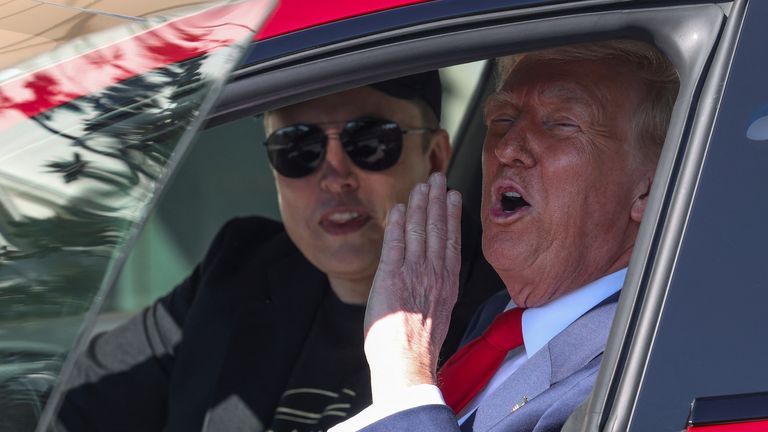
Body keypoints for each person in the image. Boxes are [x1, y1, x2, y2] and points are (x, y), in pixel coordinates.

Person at [56, 72, 505, 432]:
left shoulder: (506, 305)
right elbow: (68, 405)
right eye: (298, 147)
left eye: (369, 141)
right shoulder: (240, 266)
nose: (335, 176)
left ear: (434, 157)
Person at [330, 40, 679, 432]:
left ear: (649, 188)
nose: (507, 148)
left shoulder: (634, 374)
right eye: (502, 119)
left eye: (562, 124)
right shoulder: (496, 319)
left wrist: (404, 377)